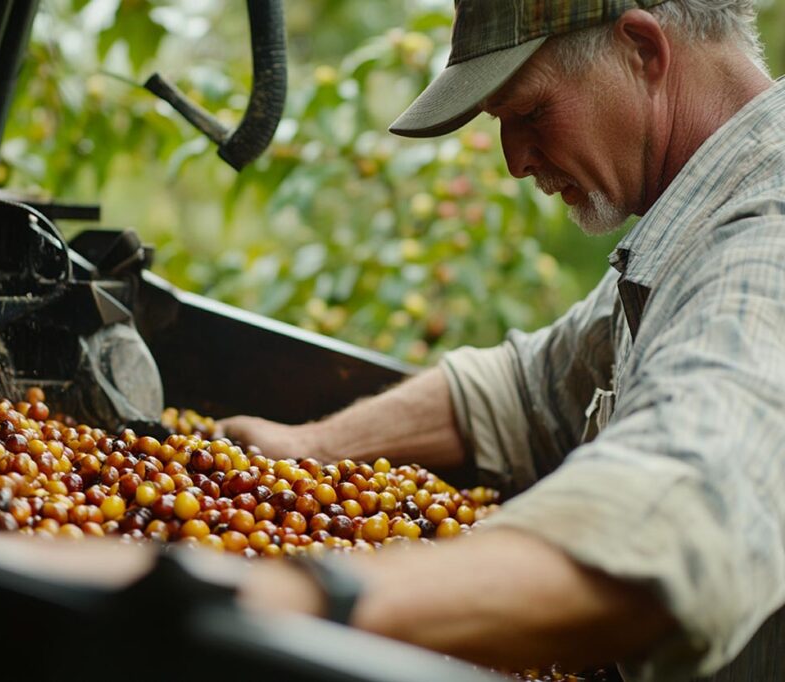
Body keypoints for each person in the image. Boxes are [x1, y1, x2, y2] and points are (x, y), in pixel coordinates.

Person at [222, 1, 785, 680]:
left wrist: (282, 600)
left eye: (530, 113)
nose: (516, 161)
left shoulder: (764, 245)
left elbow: (680, 516)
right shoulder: (696, 229)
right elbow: (526, 389)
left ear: (643, 50)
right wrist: (306, 450)